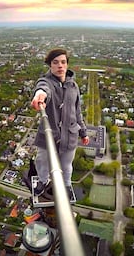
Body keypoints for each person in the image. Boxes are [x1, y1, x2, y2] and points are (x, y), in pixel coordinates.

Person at [31, 48, 89, 197]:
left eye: (63, 62)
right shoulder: (47, 82)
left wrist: (83, 132)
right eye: (55, 62)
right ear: (50, 65)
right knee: (42, 161)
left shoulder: (73, 87)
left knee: (66, 165)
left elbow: (77, 112)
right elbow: (43, 89)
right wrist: (40, 95)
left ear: (67, 65)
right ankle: (43, 182)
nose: (60, 66)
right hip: (49, 134)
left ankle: (66, 185)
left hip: (70, 134)